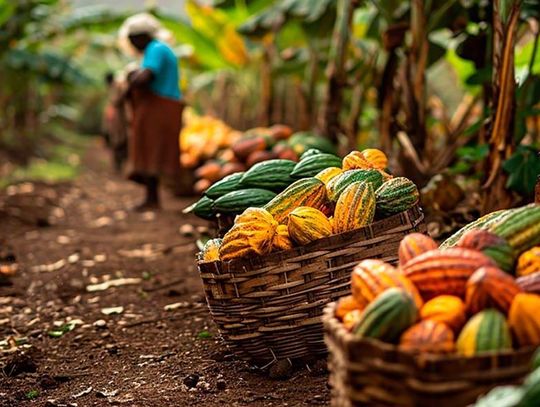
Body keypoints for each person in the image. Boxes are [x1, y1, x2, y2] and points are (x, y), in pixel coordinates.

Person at [120, 13, 184, 211]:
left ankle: (152, 199)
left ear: (142, 36)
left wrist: (131, 78)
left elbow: (145, 77)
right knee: (152, 150)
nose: (132, 43)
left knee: (151, 149)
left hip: (158, 106)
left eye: (133, 39)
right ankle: (151, 197)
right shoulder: (160, 48)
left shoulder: (154, 48)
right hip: (163, 104)